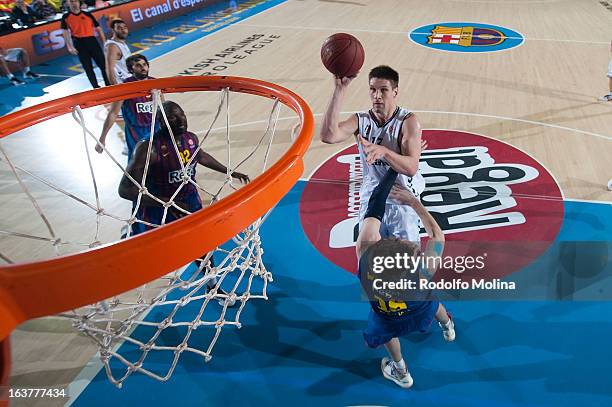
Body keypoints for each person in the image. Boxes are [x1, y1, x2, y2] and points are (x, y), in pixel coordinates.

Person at [118, 101, 250, 305]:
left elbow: (201, 156)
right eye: (172, 117)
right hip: (158, 208)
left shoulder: (190, 138)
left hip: (189, 202)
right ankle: (132, 233)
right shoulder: (147, 148)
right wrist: (167, 203)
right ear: (161, 122)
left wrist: (230, 172)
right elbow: (125, 190)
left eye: (182, 115)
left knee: (203, 244)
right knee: (153, 256)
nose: (180, 120)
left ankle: (213, 286)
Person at [356, 166, 455, 389]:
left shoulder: (365, 260)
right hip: (420, 310)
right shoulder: (422, 273)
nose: (409, 243)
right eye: (409, 247)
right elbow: (437, 236)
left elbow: (373, 207)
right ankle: (448, 326)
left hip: (388, 317)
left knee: (385, 333)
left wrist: (388, 169)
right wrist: (413, 201)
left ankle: (401, 371)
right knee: (433, 301)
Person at [320, 65, 426, 244]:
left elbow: (411, 167)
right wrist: (340, 89)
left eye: (383, 90)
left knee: (406, 262)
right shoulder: (361, 119)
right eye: (372, 90)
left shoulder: (408, 121)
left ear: (395, 92)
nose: (377, 96)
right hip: (372, 195)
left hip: (402, 197)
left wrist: (384, 152)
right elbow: (329, 136)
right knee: (368, 258)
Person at [97, 54, 156, 158]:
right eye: (138, 65)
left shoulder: (156, 82)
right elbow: (113, 113)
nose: (143, 67)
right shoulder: (125, 87)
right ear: (130, 69)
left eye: (144, 64)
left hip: (156, 129)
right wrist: (102, 138)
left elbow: (163, 108)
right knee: (138, 164)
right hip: (136, 132)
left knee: (160, 162)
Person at [61, 0, 110, 88]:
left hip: (92, 41)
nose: (74, 3)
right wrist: (70, 46)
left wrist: (104, 42)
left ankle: (108, 84)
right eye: (72, 1)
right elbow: (65, 32)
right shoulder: (66, 17)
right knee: (88, 67)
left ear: (79, 3)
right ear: (69, 3)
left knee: (103, 65)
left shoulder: (87, 14)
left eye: (75, 1)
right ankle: (95, 87)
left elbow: (98, 28)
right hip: (79, 43)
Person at [104, 18, 130, 84]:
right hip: (122, 83)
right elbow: (109, 69)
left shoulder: (122, 43)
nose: (123, 30)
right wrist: (116, 87)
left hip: (130, 80)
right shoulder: (112, 46)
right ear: (113, 30)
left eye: (124, 27)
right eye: (119, 28)